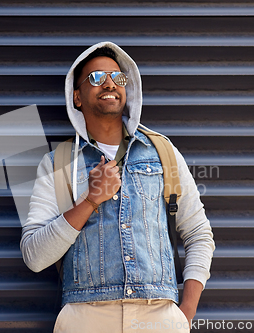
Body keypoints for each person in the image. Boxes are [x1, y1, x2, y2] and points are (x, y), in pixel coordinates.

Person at [20, 41, 215, 333]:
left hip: (159, 315)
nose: (109, 83)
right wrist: (90, 200)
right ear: (77, 97)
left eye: (118, 77)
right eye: (96, 78)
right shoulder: (58, 163)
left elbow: (199, 234)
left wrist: (184, 314)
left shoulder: (162, 151)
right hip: (86, 318)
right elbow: (35, 256)